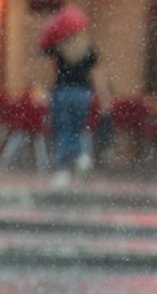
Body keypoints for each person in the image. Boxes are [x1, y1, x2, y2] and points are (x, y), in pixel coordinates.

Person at [42, 5, 110, 188]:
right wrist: (104, 99)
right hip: (83, 94)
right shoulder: (89, 49)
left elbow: (50, 70)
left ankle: (66, 168)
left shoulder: (58, 47)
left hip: (62, 91)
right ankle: (82, 157)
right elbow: (97, 75)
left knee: (64, 130)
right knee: (77, 129)